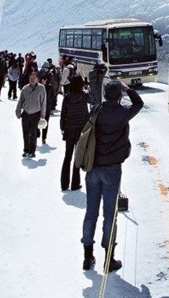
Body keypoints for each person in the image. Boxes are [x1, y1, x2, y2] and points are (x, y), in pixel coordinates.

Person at [81, 80, 143, 273]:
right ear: (119, 96)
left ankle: (87, 256)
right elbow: (139, 103)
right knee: (110, 215)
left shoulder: (97, 111)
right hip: (112, 169)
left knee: (91, 213)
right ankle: (109, 258)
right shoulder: (123, 114)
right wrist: (129, 89)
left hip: (93, 167)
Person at [60, 74, 92, 192]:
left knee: (67, 156)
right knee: (77, 156)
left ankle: (64, 183)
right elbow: (94, 99)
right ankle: (75, 183)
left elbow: (63, 114)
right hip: (81, 130)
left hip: (69, 129)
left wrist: (62, 128)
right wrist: (88, 88)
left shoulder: (67, 97)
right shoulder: (84, 96)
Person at [15, 68, 47, 158]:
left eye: (34, 78)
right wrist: (18, 111)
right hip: (26, 114)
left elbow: (43, 102)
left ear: (37, 79)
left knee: (33, 133)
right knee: (25, 133)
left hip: (35, 114)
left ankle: (32, 151)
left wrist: (43, 116)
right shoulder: (25, 88)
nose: (32, 79)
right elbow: (20, 101)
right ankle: (26, 150)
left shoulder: (41, 88)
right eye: (30, 78)